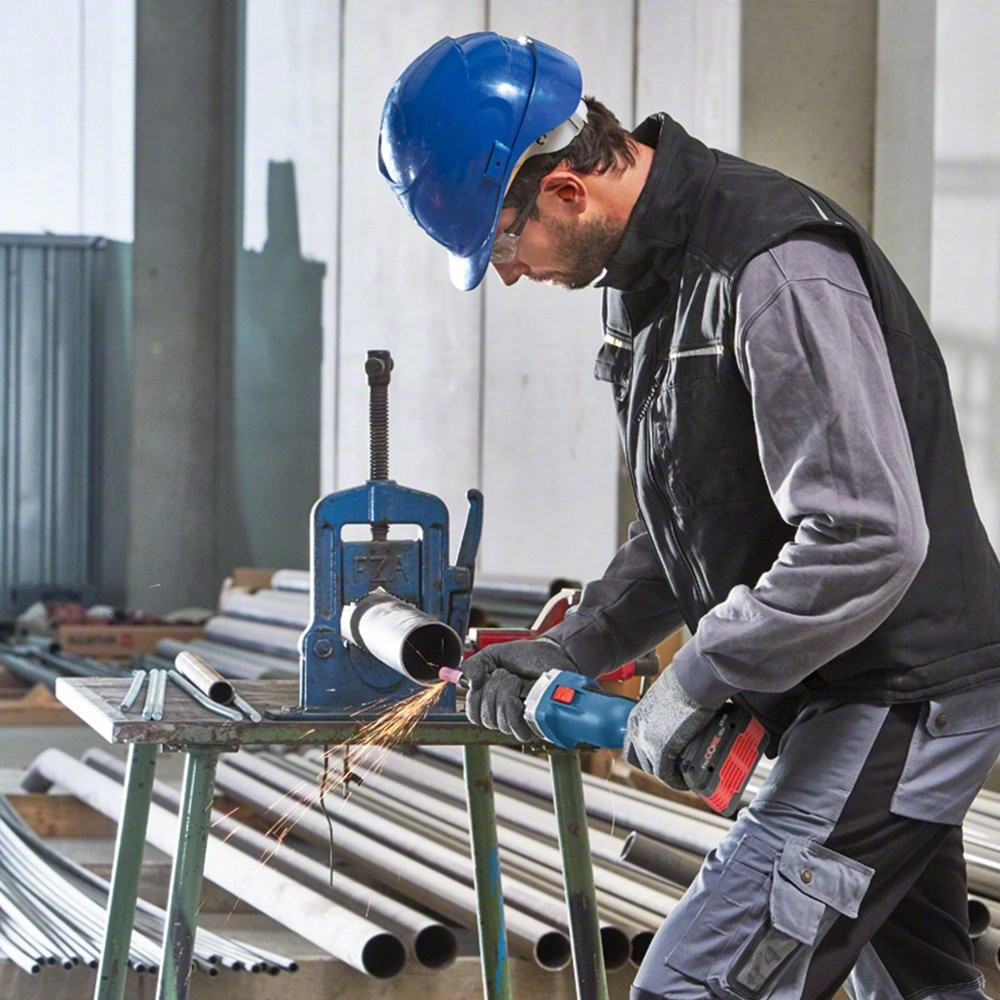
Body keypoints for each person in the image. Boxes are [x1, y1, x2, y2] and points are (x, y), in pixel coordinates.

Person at [379, 32, 1000, 1000]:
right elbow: (689, 520)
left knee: (690, 987)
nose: (506, 273)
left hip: (899, 689)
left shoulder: (771, 266)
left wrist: (702, 674)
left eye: (500, 243)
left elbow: (869, 535)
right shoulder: (645, 288)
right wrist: (573, 645)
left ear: (565, 191)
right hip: (837, 685)